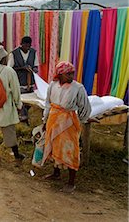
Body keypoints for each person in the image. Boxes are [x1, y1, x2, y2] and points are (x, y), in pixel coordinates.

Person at [41, 61, 91, 193]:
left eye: (72, 73)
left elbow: (84, 106)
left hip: (68, 123)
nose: (71, 76)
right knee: (54, 146)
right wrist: (45, 120)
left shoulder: (78, 88)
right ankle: (56, 173)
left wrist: (80, 121)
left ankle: (71, 181)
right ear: (60, 74)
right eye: (68, 74)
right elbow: (48, 103)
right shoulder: (53, 85)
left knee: (70, 150)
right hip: (53, 119)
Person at [8, 36, 39, 123]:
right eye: (26, 46)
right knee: (21, 100)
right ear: (21, 44)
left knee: (29, 102)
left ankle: (25, 116)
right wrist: (22, 68)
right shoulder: (14, 54)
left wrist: (35, 69)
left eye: (29, 46)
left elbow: (36, 65)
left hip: (30, 82)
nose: (27, 48)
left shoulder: (33, 52)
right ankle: (23, 117)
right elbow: (10, 69)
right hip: (19, 82)